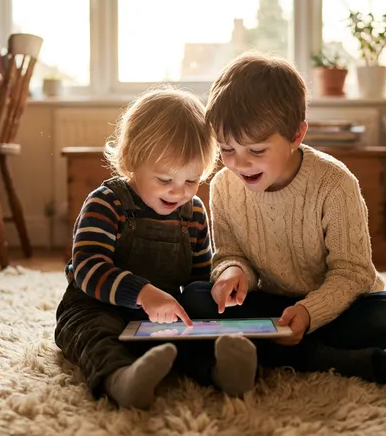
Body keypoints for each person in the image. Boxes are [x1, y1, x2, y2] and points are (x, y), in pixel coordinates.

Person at [180, 53, 386, 386]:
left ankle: (276, 351)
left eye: (257, 151)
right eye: (226, 149)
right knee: (195, 296)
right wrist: (232, 273)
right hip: (272, 304)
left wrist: (309, 312)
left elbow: (354, 272)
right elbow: (231, 255)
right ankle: (325, 358)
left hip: (332, 307)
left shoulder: (335, 184)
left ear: (296, 135)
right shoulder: (223, 186)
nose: (240, 163)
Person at [54, 86, 257, 410]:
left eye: (191, 181)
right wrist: (142, 293)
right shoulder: (107, 203)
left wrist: (214, 292)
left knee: (190, 331)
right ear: (132, 161)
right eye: (165, 180)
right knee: (92, 334)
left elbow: (198, 277)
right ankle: (120, 379)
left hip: (160, 313)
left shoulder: (193, 214)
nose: (179, 192)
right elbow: (87, 268)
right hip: (96, 304)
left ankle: (221, 371)